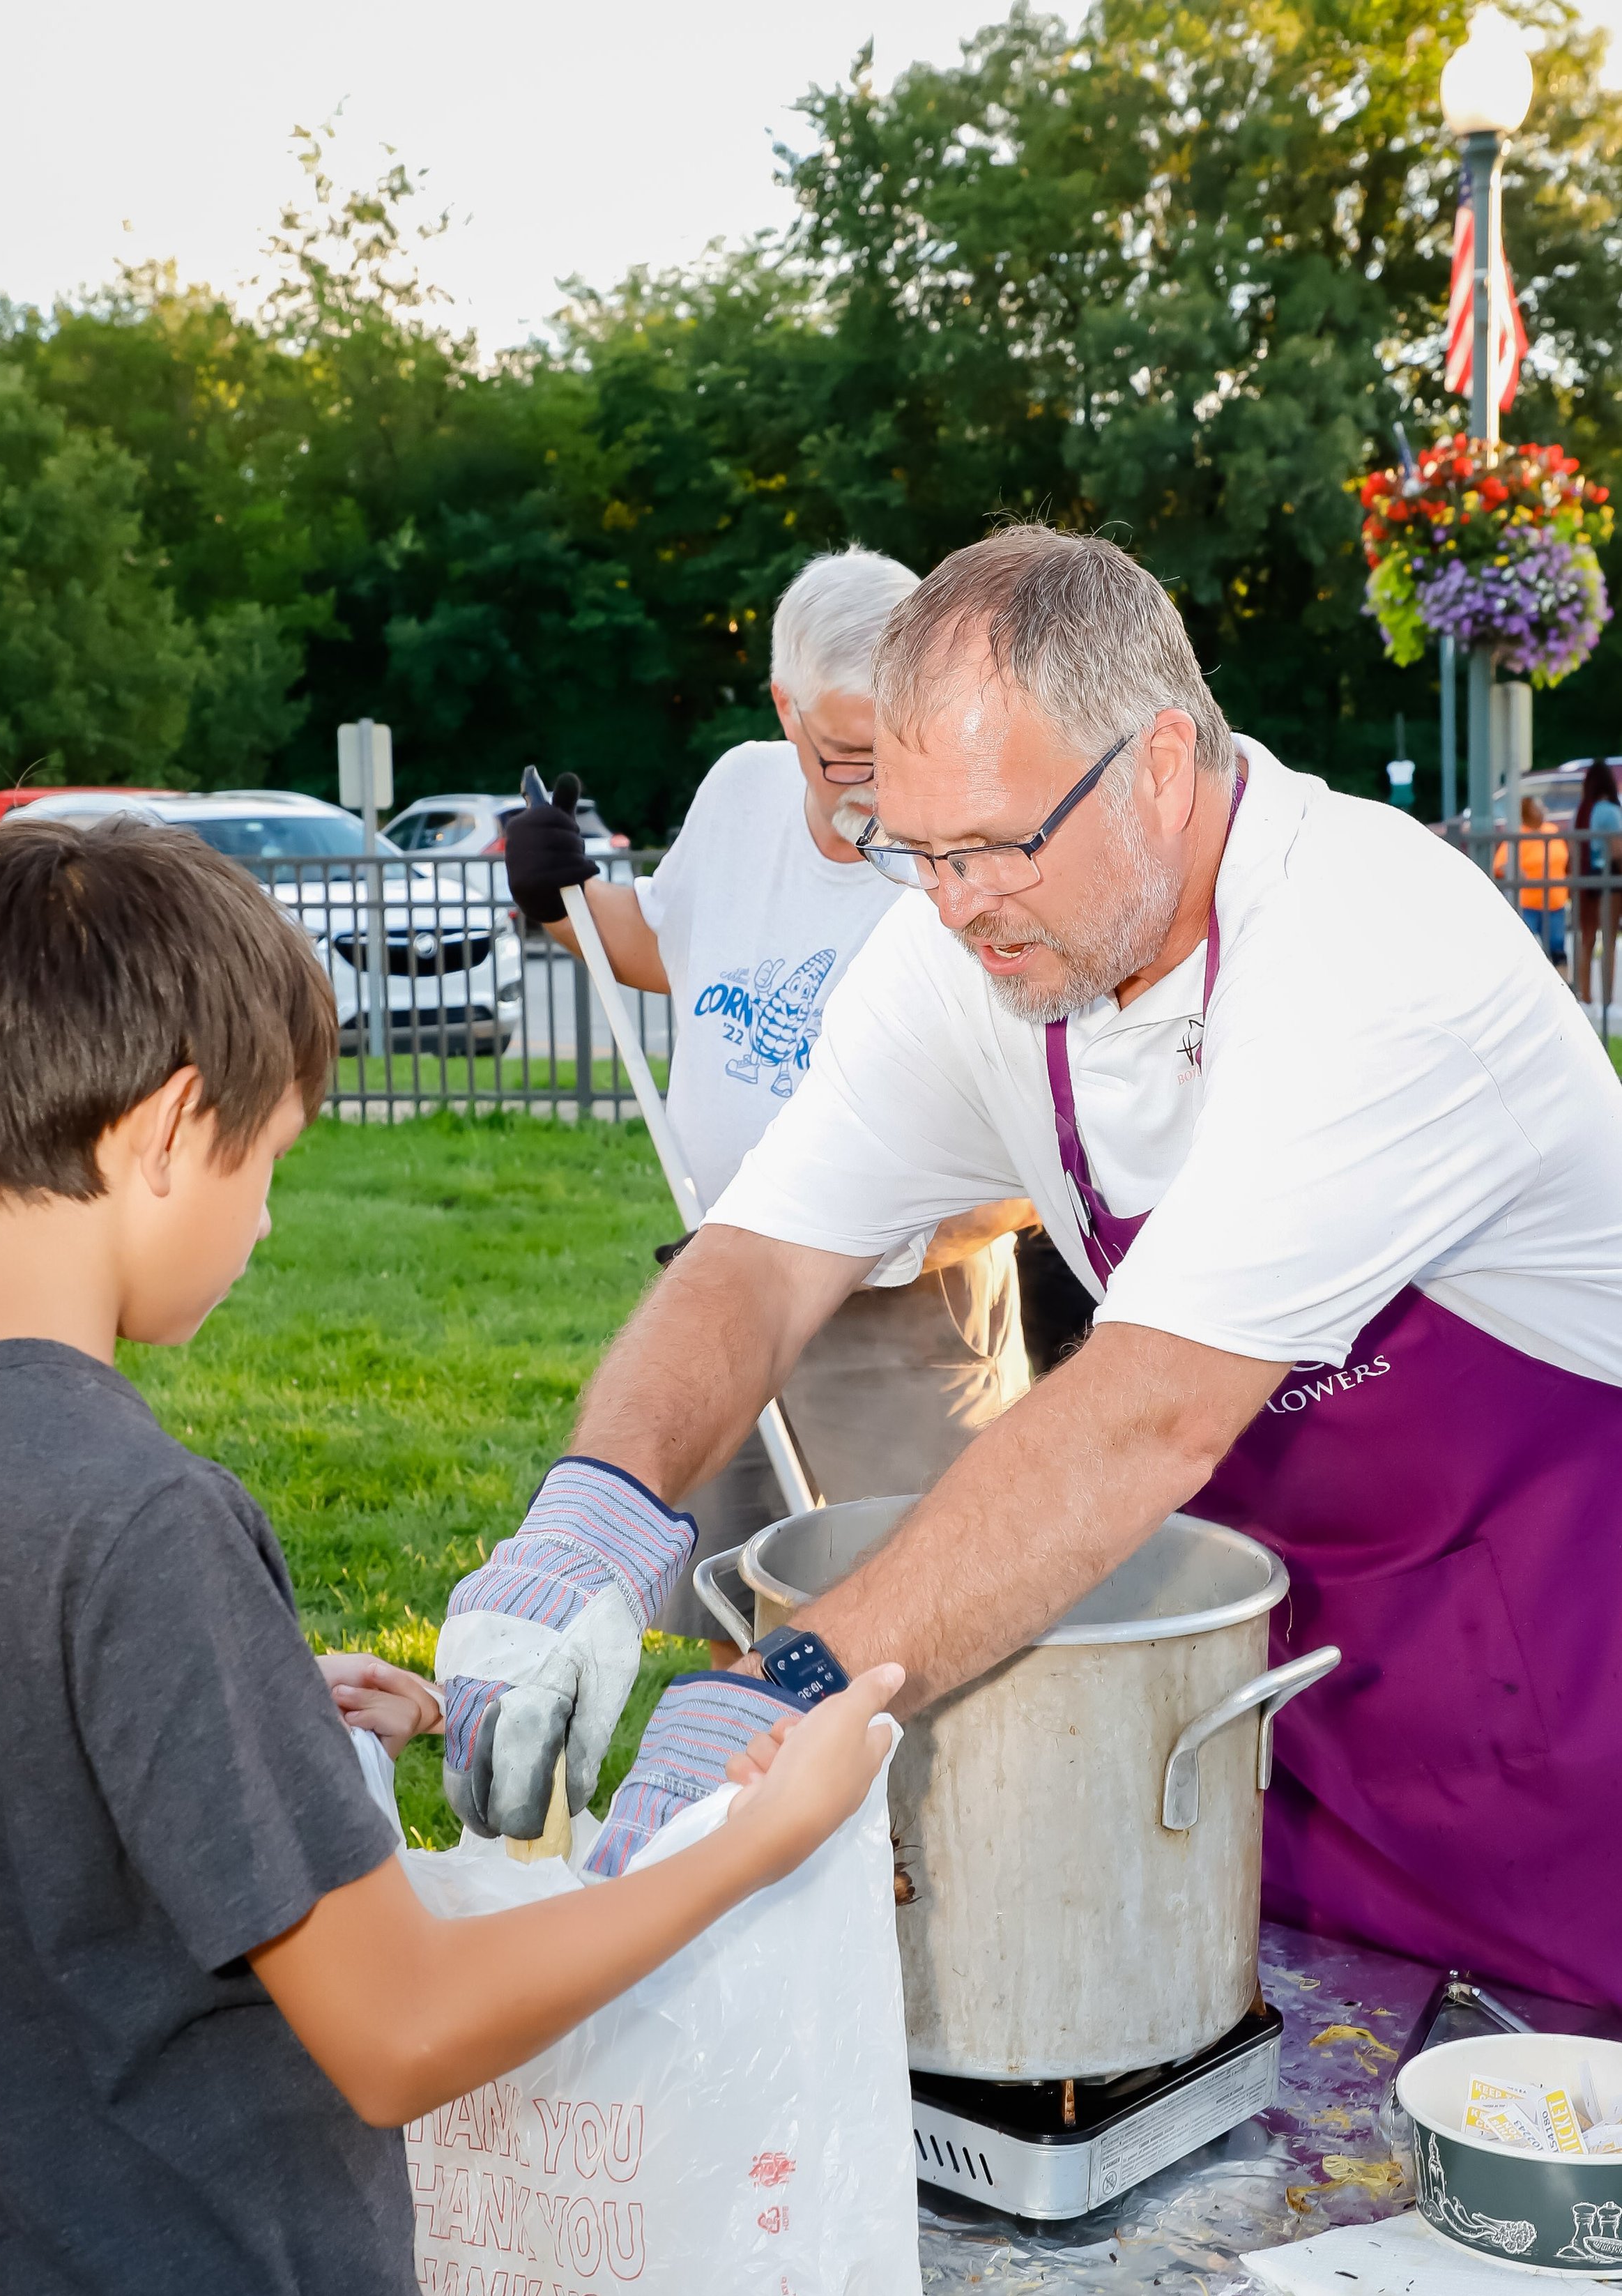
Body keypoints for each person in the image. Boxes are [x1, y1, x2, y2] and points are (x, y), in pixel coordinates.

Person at [0, 816, 901, 2296]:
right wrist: (756, 1839)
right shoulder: (142, 1524)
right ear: (164, 1127)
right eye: (267, 1159)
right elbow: (398, 2030)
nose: (270, 1216)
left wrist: (255, 1714)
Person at [439, 523, 1622, 2004]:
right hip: (1258, 1714)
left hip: (1563, 1740)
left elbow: (1146, 1414)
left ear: (1159, 766)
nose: (946, 903)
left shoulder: (1368, 960)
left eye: (991, 847)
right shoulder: (972, 950)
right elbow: (755, 1255)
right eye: (909, 850)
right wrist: (593, 1516)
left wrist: (789, 1689)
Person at [504, 548, 1032, 1655]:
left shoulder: (972, 849)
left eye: (905, 742)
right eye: (848, 751)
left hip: (897, 1315)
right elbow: (661, 948)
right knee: (735, 1609)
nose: (879, 782)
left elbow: (1051, 1135)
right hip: (729, 1279)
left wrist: (909, 1231)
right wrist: (559, 896)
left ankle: (905, 1837)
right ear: (786, 712)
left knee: (905, 1633)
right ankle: (752, 1817)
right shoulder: (741, 792)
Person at [1492, 790, 1569, 965]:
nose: (1543, 810)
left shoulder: (1552, 831)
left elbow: (1563, 859)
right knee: (1527, 954)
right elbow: (1500, 864)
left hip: (1555, 902)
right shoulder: (1520, 834)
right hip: (1530, 904)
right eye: (1538, 807)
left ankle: (1563, 987)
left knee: (1558, 952)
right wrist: (1519, 873)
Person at [1573, 757, 1622, 1008]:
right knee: (1609, 941)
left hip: (1584, 881)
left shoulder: (1582, 811)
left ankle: (1585, 995)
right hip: (1609, 881)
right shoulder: (1611, 812)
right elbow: (1617, 851)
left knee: (1587, 938)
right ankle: (1607, 998)